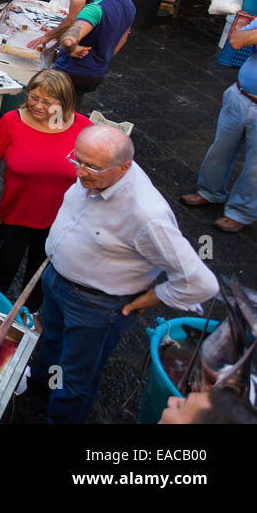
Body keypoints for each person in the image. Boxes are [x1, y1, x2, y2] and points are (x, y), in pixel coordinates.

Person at [39, 125, 218, 424]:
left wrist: (145, 301)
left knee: (75, 379)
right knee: (52, 345)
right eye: (76, 160)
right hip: (57, 281)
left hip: (95, 307)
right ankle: (42, 390)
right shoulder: (96, 174)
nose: (80, 173)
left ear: (124, 168)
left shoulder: (147, 215)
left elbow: (200, 282)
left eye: (91, 167)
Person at [0, 69, 91, 313]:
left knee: (40, 281)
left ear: (65, 102)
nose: (38, 106)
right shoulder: (11, 122)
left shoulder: (83, 127)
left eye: (48, 102)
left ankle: (28, 323)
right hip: (12, 216)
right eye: (33, 97)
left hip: (59, 222)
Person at [185, 11, 257, 233]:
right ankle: (210, 192)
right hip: (240, 95)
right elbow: (236, 40)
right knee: (220, 149)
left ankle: (241, 212)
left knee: (255, 167)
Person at [53, 0, 134, 101]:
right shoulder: (128, 2)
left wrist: (70, 47)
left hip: (71, 72)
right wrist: (106, 57)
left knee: (53, 114)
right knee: (71, 111)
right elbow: (125, 34)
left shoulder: (94, 9)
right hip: (96, 73)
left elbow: (69, 39)